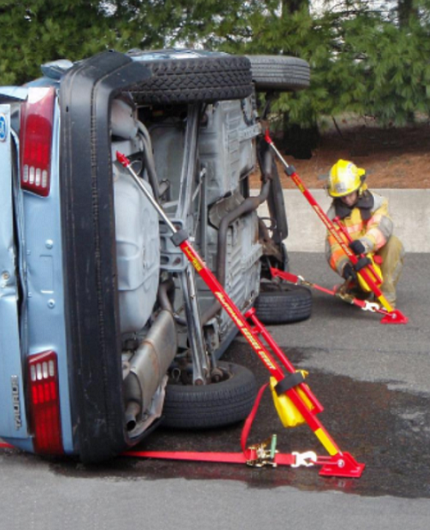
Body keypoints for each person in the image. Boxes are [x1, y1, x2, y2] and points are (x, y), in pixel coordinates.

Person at [325, 159, 404, 308]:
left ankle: (385, 298)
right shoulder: (332, 216)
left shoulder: (377, 203)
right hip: (355, 260)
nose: (346, 199)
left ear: (358, 188)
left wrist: (365, 244)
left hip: (373, 249)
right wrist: (344, 266)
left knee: (394, 244)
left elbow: (382, 227)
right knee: (359, 288)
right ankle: (357, 288)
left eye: (350, 194)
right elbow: (334, 247)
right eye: (342, 196)